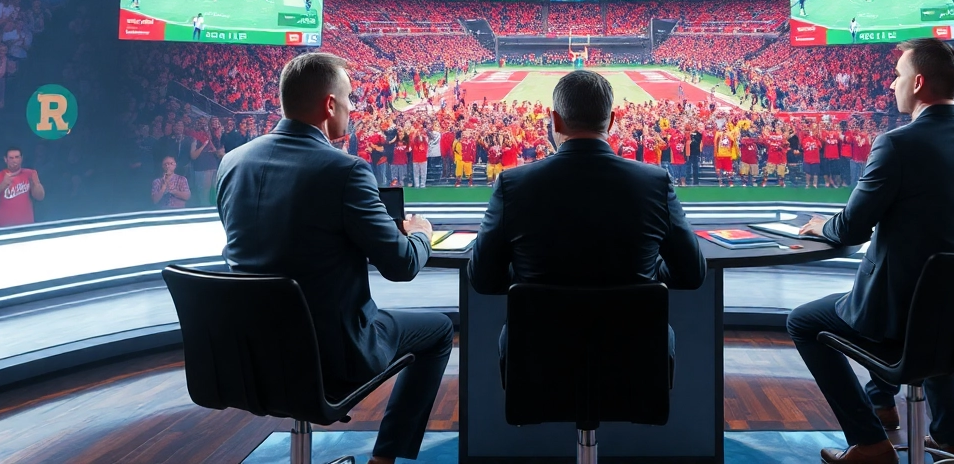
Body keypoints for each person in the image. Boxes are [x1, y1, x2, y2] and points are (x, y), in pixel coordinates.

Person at [216, 52, 452, 464]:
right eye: (348, 99)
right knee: (438, 331)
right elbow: (402, 267)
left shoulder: (231, 164)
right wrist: (420, 236)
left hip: (247, 352)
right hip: (331, 352)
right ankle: (384, 458)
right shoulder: (345, 171)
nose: (352, 108)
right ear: (329, 105)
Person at [786, 38, 954, 464]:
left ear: (919, 82)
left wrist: (821, 225)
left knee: (802, 321)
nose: (892, 85)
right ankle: (948, 439)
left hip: (904, 317)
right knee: (938, 307)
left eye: (898, 76)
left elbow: (851, 228)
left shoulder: (896, 144)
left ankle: (869, 442)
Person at [468, 70, 706, 356]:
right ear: (612, 121)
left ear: (555, 120)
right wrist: (648, 273)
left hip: (538, 356)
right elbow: (692, 273)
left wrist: (527, 276)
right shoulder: (655, 182)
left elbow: (483, 278)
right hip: (636, 355)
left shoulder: (512, 184)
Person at [0, 146, 45, 228]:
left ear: (21, 158)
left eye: (17, 157)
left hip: (26, 227)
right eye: (11, 158)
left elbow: (40, 197)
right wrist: (1, 186)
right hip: (2, 228)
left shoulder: (30, 173)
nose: (14, 160)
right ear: (5, 159)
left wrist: (36, 184)